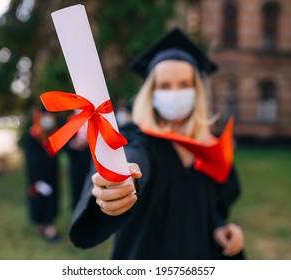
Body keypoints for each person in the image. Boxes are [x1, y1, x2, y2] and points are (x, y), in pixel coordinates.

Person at [69, 28, 245, 259]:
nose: (175, 92)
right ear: (151, 92)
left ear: (198, 90)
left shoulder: (211, 147)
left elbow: (216, 206)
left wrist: (222, 227)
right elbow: (131, 156)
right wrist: (119, 181)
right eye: (164, 86)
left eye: (184, 84)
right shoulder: (137, 137)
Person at [23, 106, 61, 242]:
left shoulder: (52, 134)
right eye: (45, 116)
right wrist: (36, 180)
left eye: (50, 116)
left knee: (51, 200)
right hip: (39, 177)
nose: (48, 119)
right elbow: (30, 160)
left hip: (52, 175)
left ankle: (48, 225)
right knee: (41, 200)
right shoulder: (34, 135)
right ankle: (46, 227)